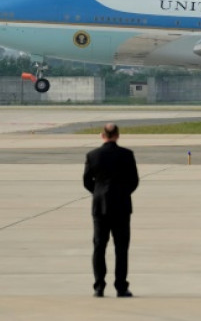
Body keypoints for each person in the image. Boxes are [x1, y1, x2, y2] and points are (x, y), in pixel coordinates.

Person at [83, 123, 139, 297]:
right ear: (117, 135)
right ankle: (121, 286)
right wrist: (122, 193)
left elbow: (86, 181)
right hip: (122, 206)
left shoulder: (93, 155)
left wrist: (98, 192)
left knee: (99, 246)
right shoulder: (127, 155)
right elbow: (134, 181)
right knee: (121, 248)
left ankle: (99, 287)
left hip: (100, 207)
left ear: (102, 135)